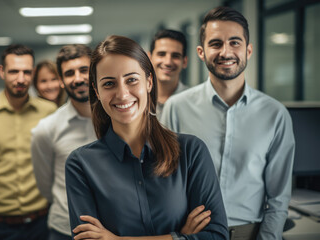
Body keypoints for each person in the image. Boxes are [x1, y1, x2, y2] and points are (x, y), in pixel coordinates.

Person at [65, 35, 229, 240]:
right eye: (109, 84)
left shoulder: (191, 151)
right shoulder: (81, 164)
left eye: (131, 80)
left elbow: (216, 236)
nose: (123, 94)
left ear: (149, 82)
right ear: (96, 91)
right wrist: (179, 236)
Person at [161, 6, 295, 240]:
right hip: (194, 235)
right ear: (201, 52)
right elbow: (164, 182)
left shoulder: (275, 114)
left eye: (235, 42)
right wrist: (177, 233)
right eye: (216, 43)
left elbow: (278, 197)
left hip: (250, 233)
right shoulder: (176, 107)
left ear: (248, 50)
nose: (226, 52)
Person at [0, 44, 56, 240]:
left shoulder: (48, 111)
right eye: (14, 71)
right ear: (2, 72)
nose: (21, 79)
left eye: (27, 72)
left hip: (40, 223)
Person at [31, 44, 96, 240]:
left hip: (112, 229)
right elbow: (45, 184)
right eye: (69, 73)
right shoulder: (46, 129)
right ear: (61, 80)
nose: (78, 79)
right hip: (64, 230)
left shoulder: (118, 121)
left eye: (84, 70)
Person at [149, 29, 189, 118]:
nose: (168, 62)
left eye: (175, 56)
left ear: (185, 62)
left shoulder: (193, 102)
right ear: (150, 58)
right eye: (161, 54)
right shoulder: (135, 101)